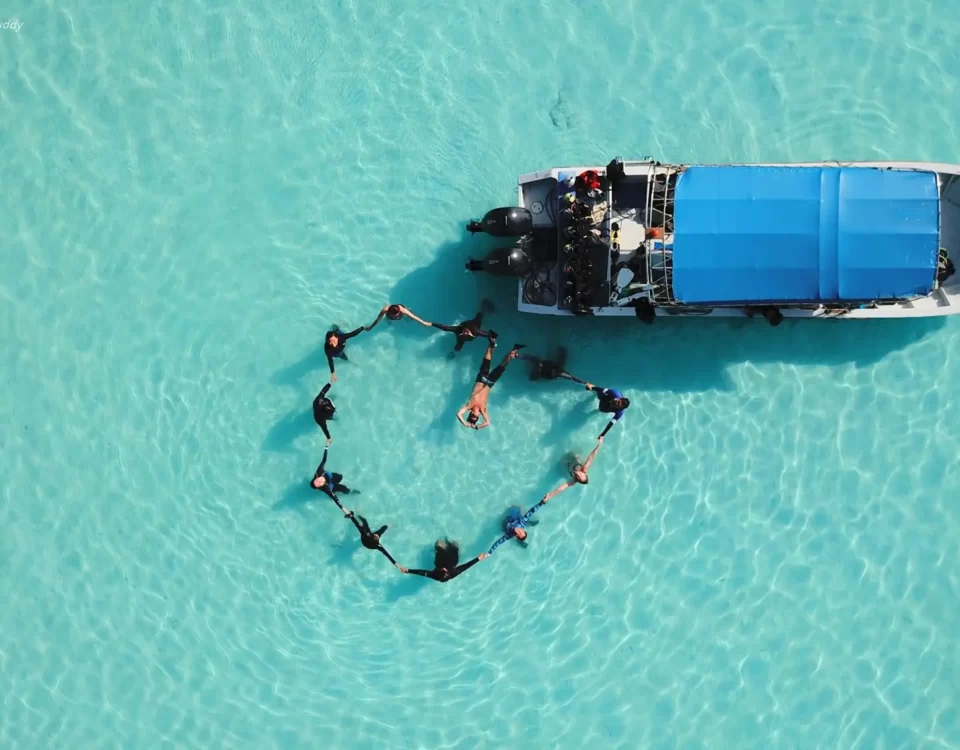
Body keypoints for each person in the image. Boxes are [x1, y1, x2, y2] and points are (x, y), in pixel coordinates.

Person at [457, 340, 525, 430]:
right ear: (478, 416)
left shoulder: (469, 406)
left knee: (487, 360)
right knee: (503, 365)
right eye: (476, 416)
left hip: (481, 380)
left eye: (472, 415)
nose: (475, 413)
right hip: (490, 383)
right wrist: (477, 427)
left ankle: (492, 343)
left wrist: (465, 424)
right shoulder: (483, 410)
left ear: (470, 413)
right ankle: (514, 349)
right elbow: (487, 422)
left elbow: (458, 414)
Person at [542, 437, 604, 501]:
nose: (578, 476)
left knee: (560, 461)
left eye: (579, 478)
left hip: (567, 464)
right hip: (573, 456)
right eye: (581, 475)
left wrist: (550, 495)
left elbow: (562, 488)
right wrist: (599, 445)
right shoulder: (584, 468)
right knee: (571, 451)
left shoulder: (574, 480)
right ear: (584, 473)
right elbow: (592, 456)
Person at [399, 539, 488, 582]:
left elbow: (422, 572)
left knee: (438, 544)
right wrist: (478, 559)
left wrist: (408, 571)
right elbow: (465, 566)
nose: (444, 569)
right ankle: (451, 545)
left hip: (440, 559)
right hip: (452, 558)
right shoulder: (453, 573)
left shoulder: (435, 576)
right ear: (448, 574)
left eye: (442, 570)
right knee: (454, 545)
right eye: (445, 571)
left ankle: (442, 546)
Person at [431, 304, 496, 354]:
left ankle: (484, 308)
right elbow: (488, 334)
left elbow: (445, 328)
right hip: (474, 327)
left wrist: (431, 324)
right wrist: (492, 342)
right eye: (466, 332)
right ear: (470, 334)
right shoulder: (475, 331)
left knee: (479, 315)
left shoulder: (458, 330)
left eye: (464, 332)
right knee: (459, 346)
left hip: (470, 324)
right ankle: (458, 348)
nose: (465, 331)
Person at [520, 346, 585, 383]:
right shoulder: (540, 366)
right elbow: (571, 377)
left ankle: (562, 349)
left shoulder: (556, 372)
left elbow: (571, 377)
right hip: (552, 368)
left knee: (560, 364)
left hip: (553, 368)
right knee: (560, 364)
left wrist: (586, 383)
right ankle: (561, 349)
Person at [366, 304, 432, 331]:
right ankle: (390, 321)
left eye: (396, 315)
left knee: (409, 317)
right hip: (389, 316)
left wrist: (424, 323)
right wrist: (371, 327)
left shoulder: (402, 310)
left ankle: (407, 312)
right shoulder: (384, 310)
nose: (395, 316)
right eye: (394, 315)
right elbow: (378, 319)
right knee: (388, 319)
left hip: (402, 313)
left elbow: (413, 316)